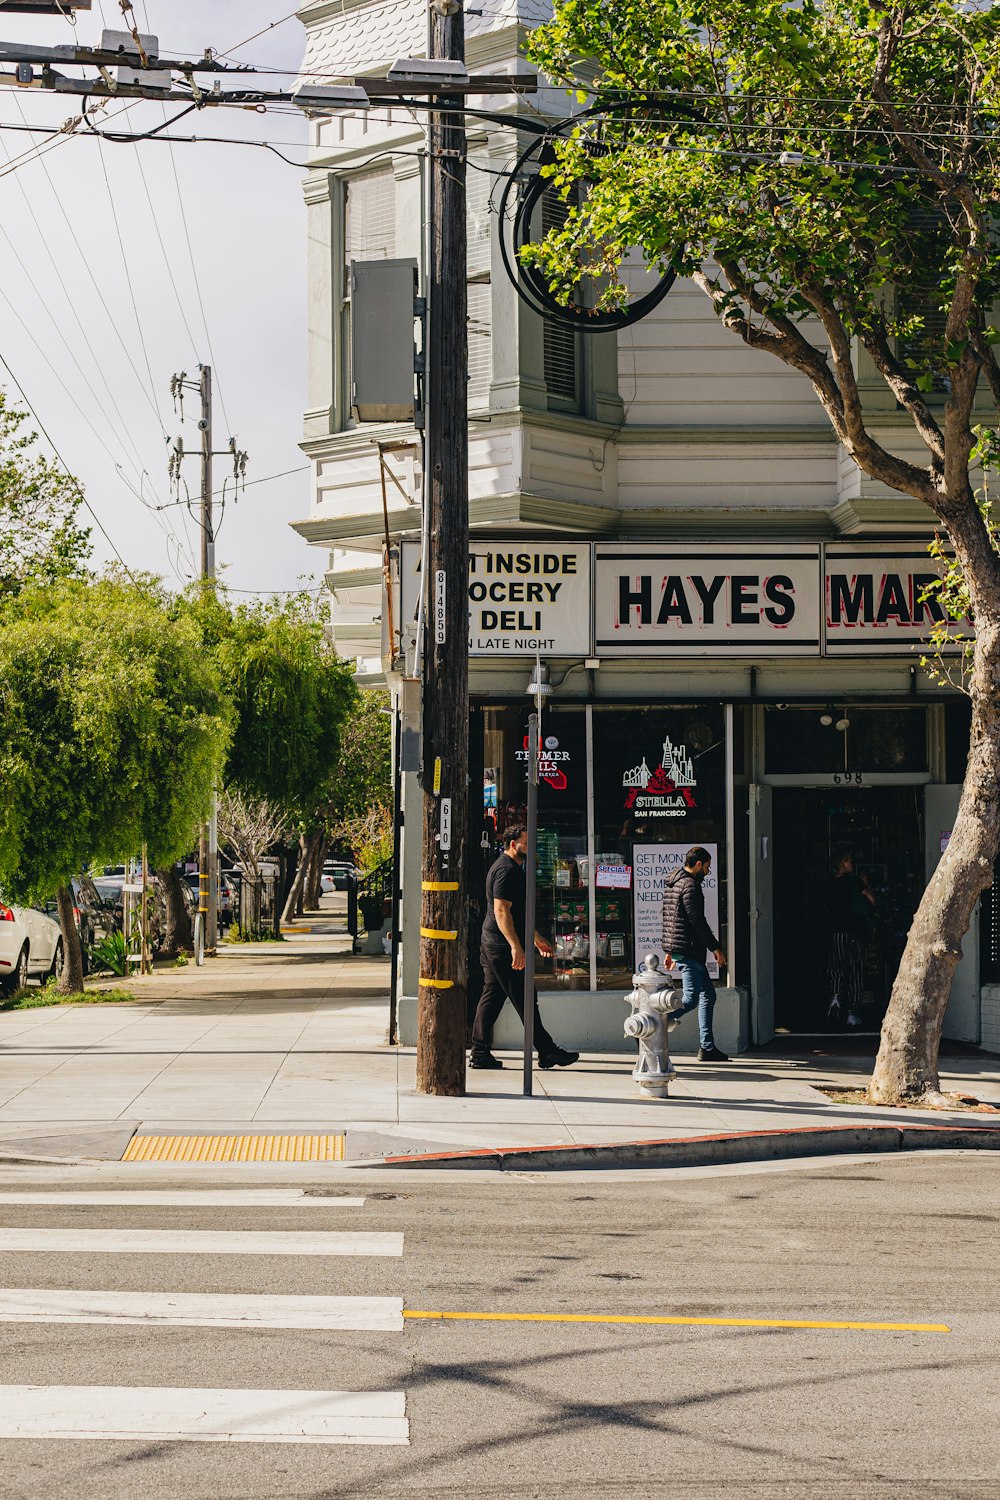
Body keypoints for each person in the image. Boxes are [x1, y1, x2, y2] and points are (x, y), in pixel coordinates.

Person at [471, 823, 580, 1071]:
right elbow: (501, 911)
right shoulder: (506, 870)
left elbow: (516, 915)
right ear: (513, 844)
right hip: (500, 946)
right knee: (526, 998)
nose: (531, 847)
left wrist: (535, 938)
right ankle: (547, 1051)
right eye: (526, 842)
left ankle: (479, 1052)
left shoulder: (512, 868)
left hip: (494, 943)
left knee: (493, 997)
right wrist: (515, 947)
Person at [661, 846, 729, 1062]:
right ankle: (652, 1026)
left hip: (684, 949)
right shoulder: (690, 886)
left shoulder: (674, 883)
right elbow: (696, 921)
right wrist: (716, 947)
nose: (708, 872)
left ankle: (707, 1047)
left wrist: (671, 950)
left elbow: (671, 919)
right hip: (690, 950)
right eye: (707, 867)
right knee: (690, 999)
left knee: (708, 995)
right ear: (698, 864)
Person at [826, 850, 877, 1028]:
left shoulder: (828, 883)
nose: (851, 863)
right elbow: (871, 899)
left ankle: (835, 998)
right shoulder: (854, 881)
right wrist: (866, 884)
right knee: (856, 970)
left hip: (836, 931)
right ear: (842, 863)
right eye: (848, 860)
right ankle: (852, 1011)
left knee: (837, 967)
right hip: (855, 930)